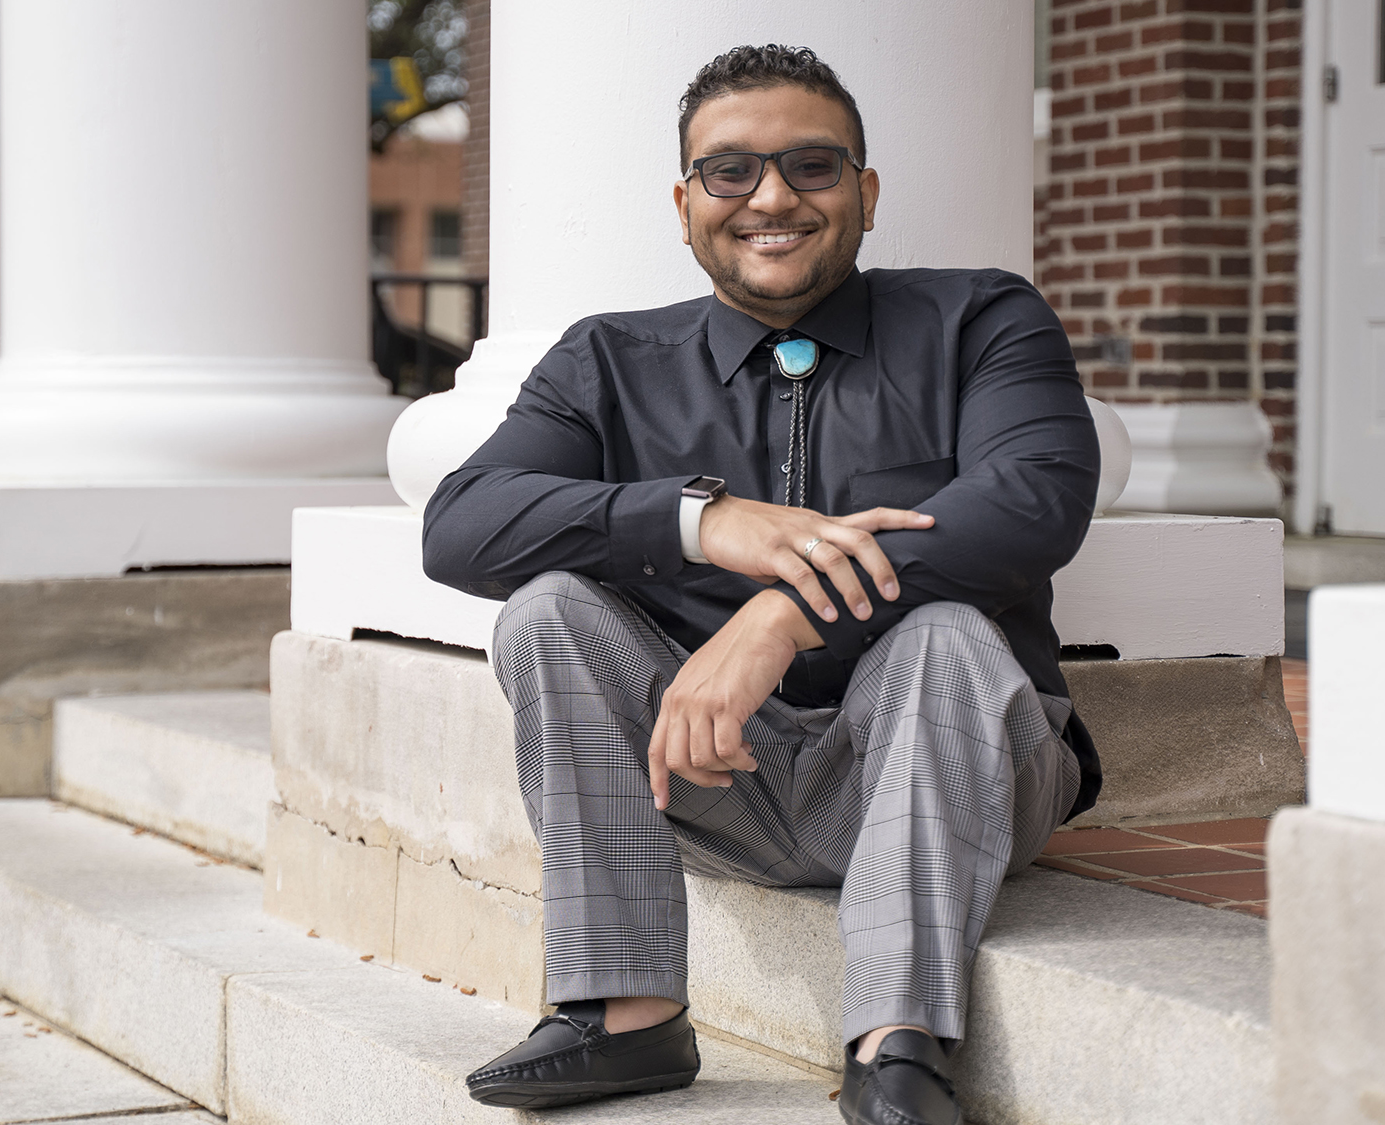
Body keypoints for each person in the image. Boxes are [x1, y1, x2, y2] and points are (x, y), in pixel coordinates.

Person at [423, 43, 1102, 1125]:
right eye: (730, 171)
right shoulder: (606, 359)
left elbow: (1032, 505)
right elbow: (460, 525)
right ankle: (623, 1016)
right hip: (713, 776)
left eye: (812, 167)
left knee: (947, 639)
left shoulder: (979, 320)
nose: (771, 197)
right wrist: (698, 523)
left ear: (865, 194)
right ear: (685, 203)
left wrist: (779, 617)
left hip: (954, 762)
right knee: (546, 610)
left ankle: (897, 1048)